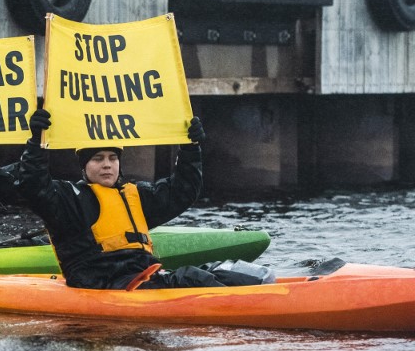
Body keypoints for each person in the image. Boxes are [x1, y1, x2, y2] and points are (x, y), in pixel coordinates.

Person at [17, 109, 271, 289]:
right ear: (84, 167)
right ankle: (266, 302)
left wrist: (191, 148)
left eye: (113, 158)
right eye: (98, 158)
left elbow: (182, 191)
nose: (107, 165)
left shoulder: (134, 196)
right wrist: (36, 143)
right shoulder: (67, 199)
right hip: (103, 284)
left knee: (217, 270)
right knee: (193, 278)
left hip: (145, 277)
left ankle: (267, 287)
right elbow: (32, 185)